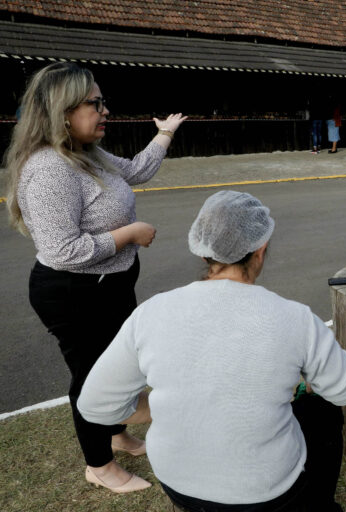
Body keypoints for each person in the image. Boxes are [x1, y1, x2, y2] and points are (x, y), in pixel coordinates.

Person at [78, 190, 346, 511]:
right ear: (261, 248)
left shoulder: (152, 311)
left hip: (178, 484)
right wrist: (307, 384)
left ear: (202, 252)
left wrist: (170, 404)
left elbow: (95, 405)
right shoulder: (294, 318)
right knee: (320, 410)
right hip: (265, 492)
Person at [4, 62, 185, 493]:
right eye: (95, 103)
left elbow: (137, 170)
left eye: (104, 102)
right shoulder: (50, 168)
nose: (105, 111)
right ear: (62, 110)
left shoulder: (86, 153)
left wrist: (165, 133)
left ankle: (115, 432)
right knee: (93, 378)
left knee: (118, 366)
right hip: (75, 293)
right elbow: (64, 252)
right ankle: (99, 465)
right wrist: (129, 235)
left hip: (109, 284)